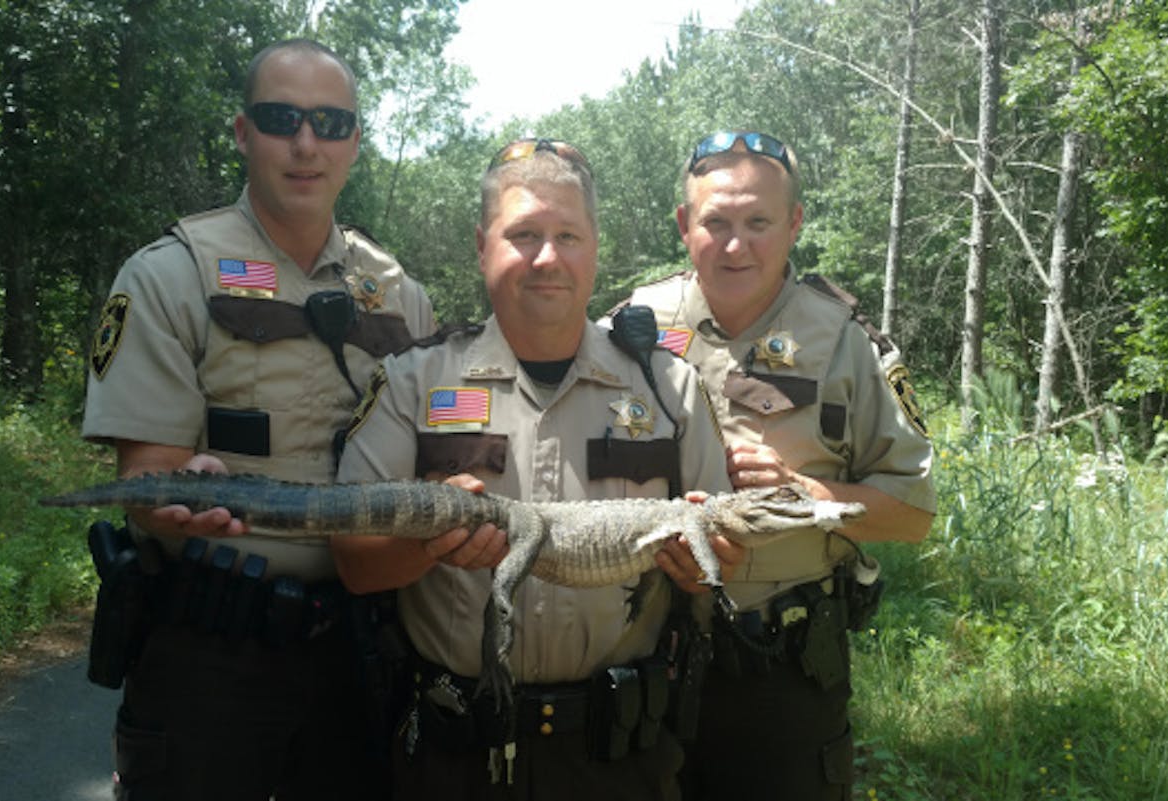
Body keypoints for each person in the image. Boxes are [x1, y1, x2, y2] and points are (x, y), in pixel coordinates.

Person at [79, 39, 434, 800]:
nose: (307, 143)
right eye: (282, 119)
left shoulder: (401, 294)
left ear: (355, 144)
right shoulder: (171, 274)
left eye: (330, 123)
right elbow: (146, 479)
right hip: (212, 652)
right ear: (243, 133)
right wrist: (177, 503)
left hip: (360, 651)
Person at [331, 138, 736, 801]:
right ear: (481, 243)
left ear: (596, 245)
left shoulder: (671, 390)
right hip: (453, 755)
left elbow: (720, 561)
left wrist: (704, 571)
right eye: (523, 234)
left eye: (568, 235)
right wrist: (424, 547)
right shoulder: (411, 381)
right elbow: (353, 561)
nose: (548, 257)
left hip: (618, 758)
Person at [620, 130, 936, 800]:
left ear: (794, 223)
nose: (736, 245)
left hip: (779, 675)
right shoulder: (632, 325)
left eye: (759, 222)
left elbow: (912, 514)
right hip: (641, 656)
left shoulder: (848, 344)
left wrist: (801, 490)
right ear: (684, 225)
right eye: (716, 222)